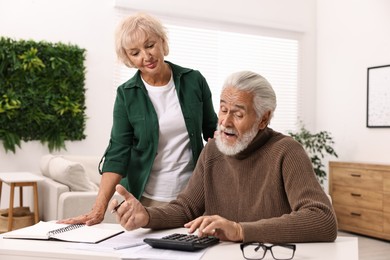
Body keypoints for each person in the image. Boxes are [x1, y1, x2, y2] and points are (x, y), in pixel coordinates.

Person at [109, 71, 338, 243]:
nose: (226, 122)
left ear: (263, 119)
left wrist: (240, 231)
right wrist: (147, 216)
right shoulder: (213, 151)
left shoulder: (287, 152)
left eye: (238, 113)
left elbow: (322, 219)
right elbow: (187, 208)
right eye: (223, 109)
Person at [60, 12, 217, 225]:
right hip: (146, 199)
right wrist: (98, 209)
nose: (146, 56)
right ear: (128, 58)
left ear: (162, 42)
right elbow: (118, 152)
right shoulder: (126, 94)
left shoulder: (193, 80)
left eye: (150, 45)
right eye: (135, 52)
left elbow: (214, 132)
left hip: (193, 197)